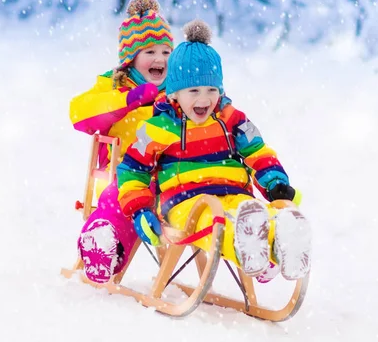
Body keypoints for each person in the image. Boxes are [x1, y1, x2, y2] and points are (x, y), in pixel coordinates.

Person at [117, 20, 311, 281]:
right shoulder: (157, 128)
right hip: (186, 202)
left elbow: (257, 151)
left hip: (234, 193)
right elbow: (132, 170)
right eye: (194, 90)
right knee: (215, 223)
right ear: (174, 94)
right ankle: (250, 251)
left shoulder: (232, 119)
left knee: (252, 212)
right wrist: (140, 209)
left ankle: (284, 239)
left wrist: (275, 182)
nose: (204, 99)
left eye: (212, 90)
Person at [69, 0, 174, 283]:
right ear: (131, 57)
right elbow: (80, 113)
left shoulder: (180, 90)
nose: (160, 59)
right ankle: (105, 245)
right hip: (126, 174)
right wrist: (128, 99)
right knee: (121, 200)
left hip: (176, 175)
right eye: (151, 51)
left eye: (166, 52)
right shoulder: (115, 84)